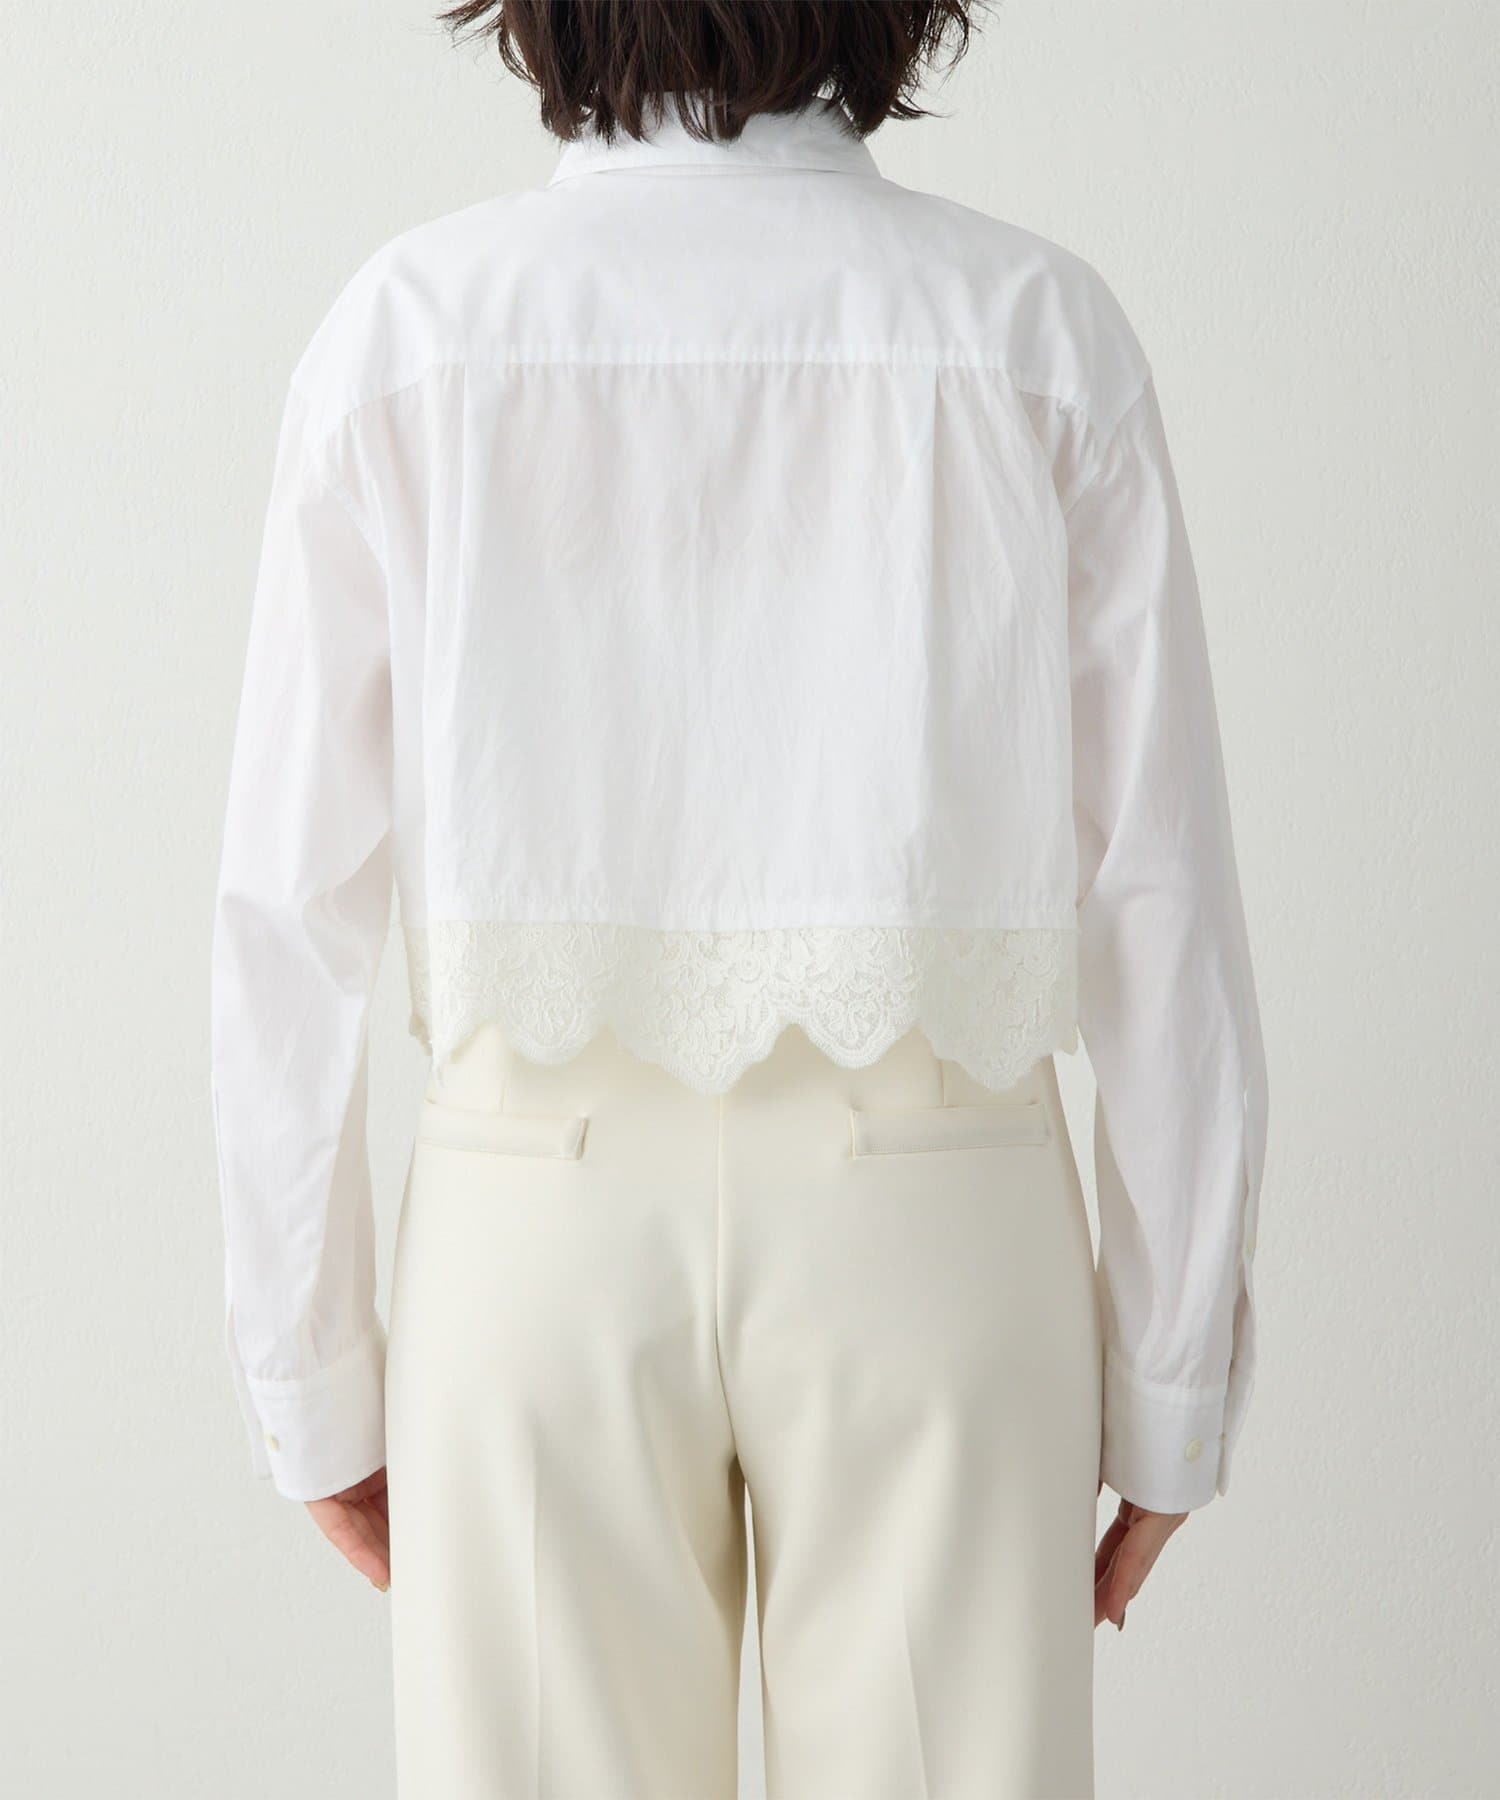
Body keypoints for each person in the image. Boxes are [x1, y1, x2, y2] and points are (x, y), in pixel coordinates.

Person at [209, 2, 1268, 1794]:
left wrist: (306, 1366)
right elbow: (1157, 885)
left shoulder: (412, 333)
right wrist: (1173, 1373)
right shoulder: (1032, 329)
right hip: (935, 1205)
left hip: (531, 1207)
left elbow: (287, 908)